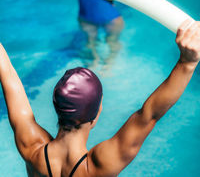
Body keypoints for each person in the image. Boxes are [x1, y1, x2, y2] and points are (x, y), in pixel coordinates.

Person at [1, 19, 200, 177]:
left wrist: (186, 64)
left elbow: (8, 76)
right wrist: (187, 63)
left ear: (58, 107)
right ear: (96, 114)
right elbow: (149, 115)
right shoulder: (99, 167)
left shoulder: (31, 148)